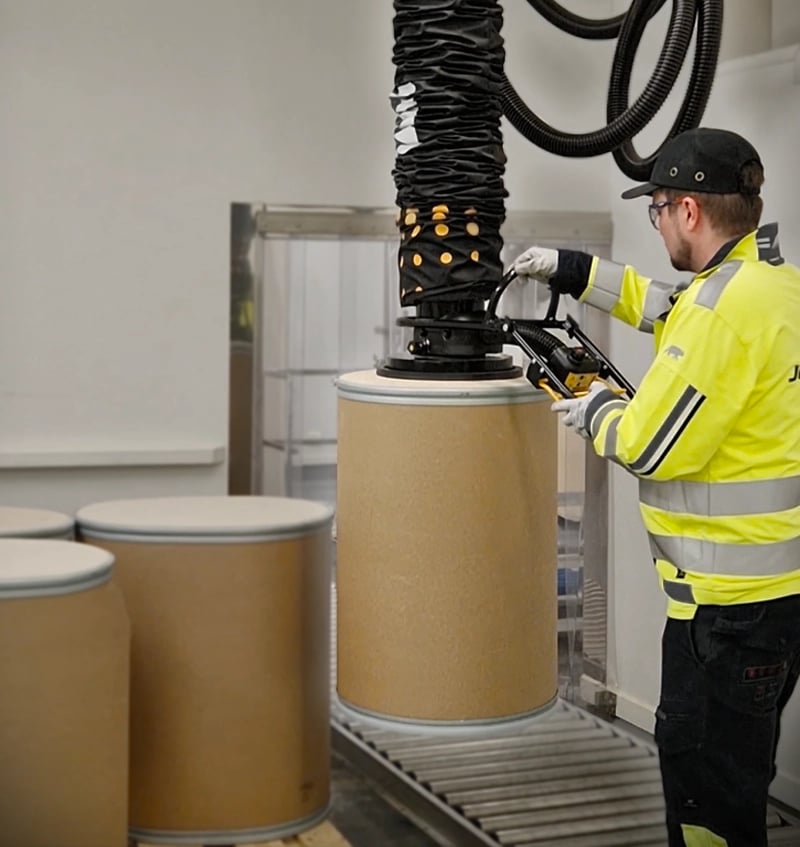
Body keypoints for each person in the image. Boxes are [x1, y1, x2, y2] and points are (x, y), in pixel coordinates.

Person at [511, 126, 800, 847]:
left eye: (659, 208)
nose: (659, 221)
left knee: (710, 811)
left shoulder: (719, 313)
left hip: (723, 620)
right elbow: (664, 303)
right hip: (780, 600)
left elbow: (648, 443)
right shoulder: (773, 286)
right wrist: (573, 270)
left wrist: (592, 407)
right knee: (741, 781)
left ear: (690, 212)